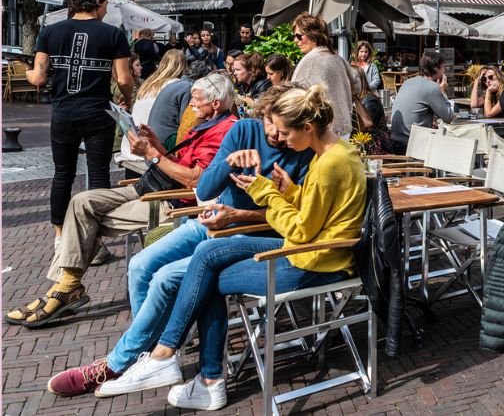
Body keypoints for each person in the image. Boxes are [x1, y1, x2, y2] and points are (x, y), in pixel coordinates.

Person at [94, 86, 365, 410]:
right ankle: (171, 361)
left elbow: (303, 230)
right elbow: (313, 214)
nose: (282, 139)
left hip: (314, 262)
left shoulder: (326, 164)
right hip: (312, 251)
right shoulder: (339, 153)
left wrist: (267, 192)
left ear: (307, 128)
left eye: (285, 132)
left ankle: (193, 372)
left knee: (205, 278)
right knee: (206, 257)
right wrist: (289, 190)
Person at [46, 84, 314, 397]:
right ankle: (144, 355)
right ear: (265, 114)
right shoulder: (244, 130)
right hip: (208, 222)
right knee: (139, 264)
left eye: (284, 130)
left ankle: (122, 362)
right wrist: (228, 164)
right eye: (272, 124)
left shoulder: (302, 149)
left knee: (168, 277)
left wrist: (238, 214)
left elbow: (296, 220)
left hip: (245, 233)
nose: (277, 136)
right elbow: (203, 190)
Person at [6, 73, 238, 328]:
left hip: (171, 200)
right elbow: (182, 163)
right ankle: (66, 287)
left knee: (86, 219)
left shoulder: (224, 130)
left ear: (215, 103)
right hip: (151, 185)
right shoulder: (206, 124)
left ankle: (64, 289)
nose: (191, 105)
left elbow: (196, 180)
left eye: (196, 101)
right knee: (82, 201)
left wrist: (153, 154)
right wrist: (157, 146)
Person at [27, 0, 133, 244]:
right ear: (97, 0)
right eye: (106, 4)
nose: (106, 10)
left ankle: (60, 236)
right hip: (99, 113)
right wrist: (127, 99)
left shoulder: (50, 32)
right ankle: (94, 236)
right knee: (99, 173)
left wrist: (29, 73)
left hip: (64, 112)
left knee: (63, 173)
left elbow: (39, 79)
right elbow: (123, 78)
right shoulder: (113, 34)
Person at [115, 50, 187, 173]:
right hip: (147, 149)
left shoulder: (149, 83)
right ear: (184, 66)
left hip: (130, 145)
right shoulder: (178, 86)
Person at [290, 12, 357, 137]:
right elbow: (356, 87)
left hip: (322, 134)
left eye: (299, 36)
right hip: (344, 130)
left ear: (313, 35)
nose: (295, 41)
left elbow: (293, 99)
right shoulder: (338, 59)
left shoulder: (310, 60)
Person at [390, 50, 453, 153]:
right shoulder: (433, 88)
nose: (444, 69)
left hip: (394, 140)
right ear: (436, 68)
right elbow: (448, 117)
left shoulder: (408, 82)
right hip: (412, 144)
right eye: (443, 66)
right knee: (448, 149)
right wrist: (442, 92)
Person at [147, 60, 212, 149]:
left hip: (155, 139)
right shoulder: (189, 88)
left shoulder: (177, 83)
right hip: (164, 143)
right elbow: (187, 122)